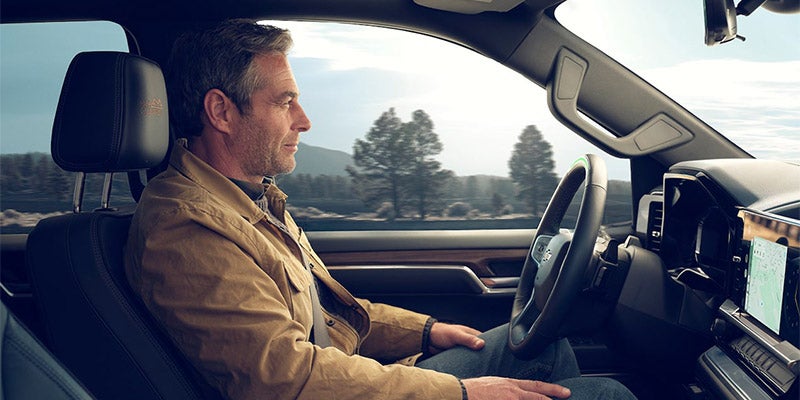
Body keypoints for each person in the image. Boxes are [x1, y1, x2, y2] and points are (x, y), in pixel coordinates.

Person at [124, 19, 637, 400]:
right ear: (221, 112)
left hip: (343, 383)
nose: (304, 120)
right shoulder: (186, 226)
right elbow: (285, 378)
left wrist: (425, 331)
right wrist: (461, 395)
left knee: (539, 348)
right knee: (607, 395)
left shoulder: (249, 201)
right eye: (284, 102)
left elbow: (333, 315)